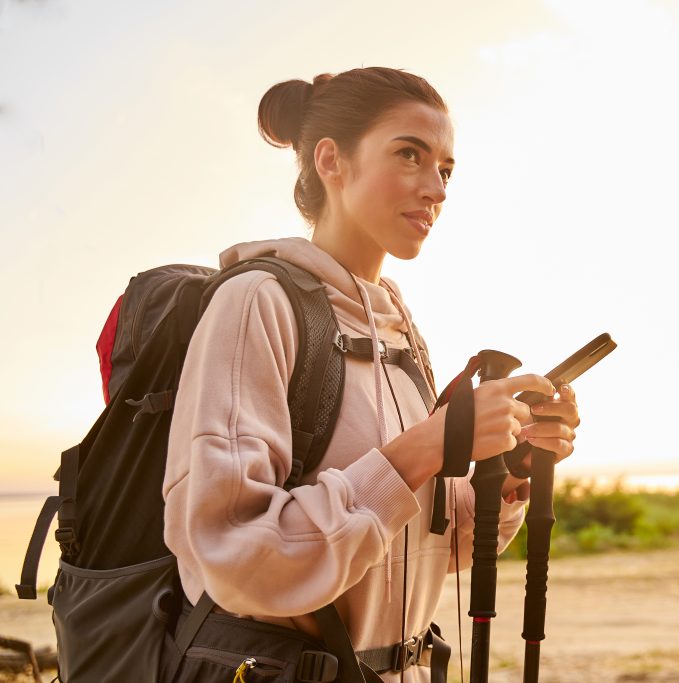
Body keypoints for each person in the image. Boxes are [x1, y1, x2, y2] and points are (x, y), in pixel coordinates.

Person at [161, 67, 581, 683]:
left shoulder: (400, 330)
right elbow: (237, 557)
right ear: (332, 160)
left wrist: (510, 467)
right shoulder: (257, 303)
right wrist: (430, 445)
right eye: (409, 154)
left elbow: (431, 546)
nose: (435, 188)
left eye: (445, 169)